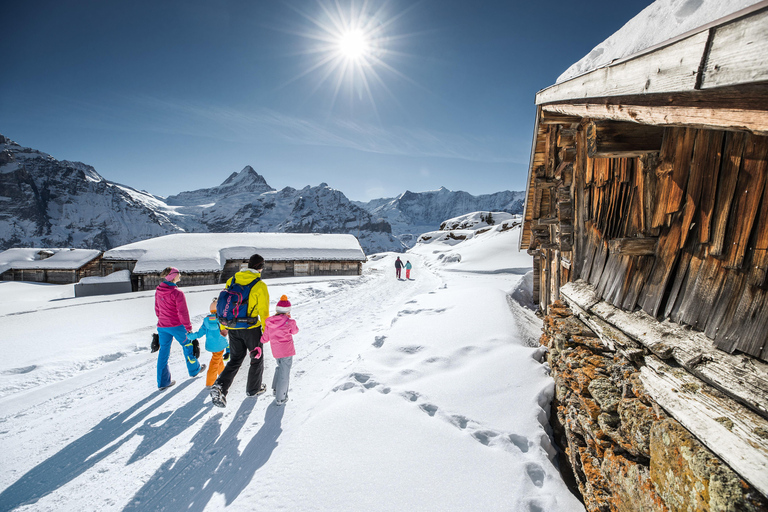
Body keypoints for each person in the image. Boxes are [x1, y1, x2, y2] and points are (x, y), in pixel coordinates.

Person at [209, 254, 270, 407]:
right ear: (260, 267)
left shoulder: (233, 280)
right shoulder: (259, 285)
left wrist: (223, 326)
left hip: (232, 326)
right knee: (256, 357)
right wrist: (267, 331)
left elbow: (224, 305)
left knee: (235, 359)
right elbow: (264, 312)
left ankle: (220, 386)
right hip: (251, 328)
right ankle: (253, 389)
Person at [154, 267, 205, 390]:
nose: (180, 276)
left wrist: (163, 319)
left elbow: (157, 309)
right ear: (173, 276)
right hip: (176, 325)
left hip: (162, 326)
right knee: (188, 345)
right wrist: (188, 328)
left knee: (163, 352)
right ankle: (194, 370)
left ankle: (163, 382)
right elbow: (183, 312)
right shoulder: (177, 293)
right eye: (178, 274)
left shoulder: (158, 290)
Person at [261, 295, 299, 406]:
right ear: (287, 311)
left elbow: (265, 338)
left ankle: (276, 389)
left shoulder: (270, 322)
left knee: (279, 367)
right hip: (287, 351)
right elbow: (295, 331)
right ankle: (281, 397)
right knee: (285, 372)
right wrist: (289, 319)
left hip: (276, 351)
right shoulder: (289, 322)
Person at [187, 299, 229, 387]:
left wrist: (190, 336)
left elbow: (199, 333)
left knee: (219, 360)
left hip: (211, 346)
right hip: (220, 345)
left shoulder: (206, 320)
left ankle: (223, 377)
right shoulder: (222, 320)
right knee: (214, 362)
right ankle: (210, 383)